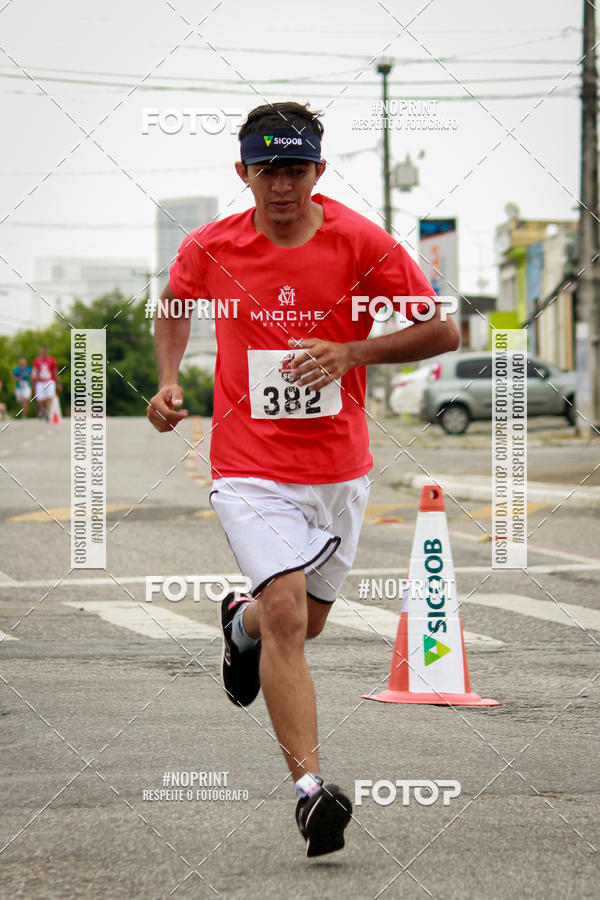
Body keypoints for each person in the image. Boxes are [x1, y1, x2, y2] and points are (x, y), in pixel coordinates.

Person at [147, 101, 459, 857]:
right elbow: (173, 304)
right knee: (289, 615)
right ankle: (311, 792)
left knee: (302, 623)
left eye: (294, 169)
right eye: (267, 170)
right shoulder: (211, 246)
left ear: (318, 172)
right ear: (243, 174)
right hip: (249, 468)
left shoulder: (362, 242)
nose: (280, 185)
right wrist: (166, 382)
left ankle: (238, 623)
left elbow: (443, 329)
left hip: (338, 472)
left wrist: (352, 352)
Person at [31, 346, 60, 420]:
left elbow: (55, 371)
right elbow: (34, 370)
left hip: (50, 381)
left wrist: (59, 383)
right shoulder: (37, 360)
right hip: (40, 382)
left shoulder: (52, 360)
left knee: (49, 397)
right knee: (40, 399)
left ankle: (48, 413)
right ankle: (43, 410)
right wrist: (33, 376)